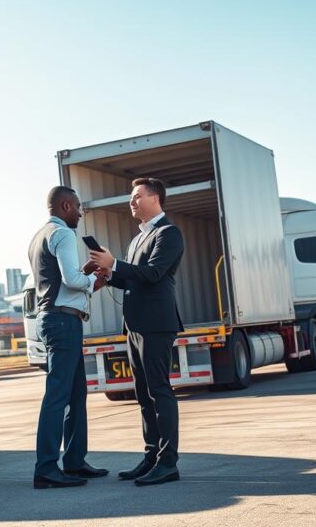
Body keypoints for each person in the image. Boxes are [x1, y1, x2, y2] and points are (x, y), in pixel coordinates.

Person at [89, 177, 185, 487]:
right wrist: (110, 274)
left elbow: (154, 274)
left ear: (155, 198)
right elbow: (134, 279)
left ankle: (168, 462)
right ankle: (151, 456)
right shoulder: (138, 238)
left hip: (156, 324)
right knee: (143, 395)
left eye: (137, 196)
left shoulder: (168, 234)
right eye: (131, 197)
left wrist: (115, 263)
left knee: (159, 391)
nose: (131, 202)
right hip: (135, 325)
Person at [27, 186, 108, 489]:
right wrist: (91, 278)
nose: (80, 212)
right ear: (64, 206)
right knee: (58, 396)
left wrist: (89, 277)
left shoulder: (38, 237)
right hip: (62, 322)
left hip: (56, 319)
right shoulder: (63, 234)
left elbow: (63, 280)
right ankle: (47, 469)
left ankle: (74, 462)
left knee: (75, 395)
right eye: (76, 207)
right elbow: (73, 280)